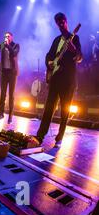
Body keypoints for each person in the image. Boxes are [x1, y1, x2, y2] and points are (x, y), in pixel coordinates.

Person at [31, 13, 82, 148]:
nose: (60, 24)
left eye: (62, 21)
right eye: (58, 22)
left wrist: (74, 50)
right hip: (55, 79)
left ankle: (59, 139)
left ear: (66, 21)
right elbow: (49, 55)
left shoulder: (75, 38)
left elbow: (80, 57)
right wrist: (49, 62)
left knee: (65, 111)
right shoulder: (56, 40)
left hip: (68, 81)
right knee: (48, 108)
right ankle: (39, 137)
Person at [0, 31, 20, 124]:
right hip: (4, 73)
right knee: (2, 94)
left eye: (8, 36)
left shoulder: (16, 45)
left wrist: (7, 45)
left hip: (12, 73)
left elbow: (14, 53)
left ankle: (10, 117)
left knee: (11, 95)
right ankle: (0, 115)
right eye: (5, 36)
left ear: (11, 37)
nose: (6, 37)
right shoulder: (2, 45)